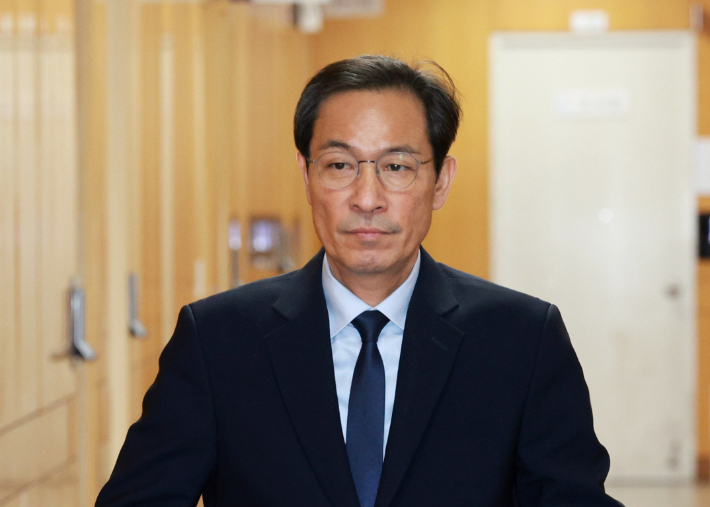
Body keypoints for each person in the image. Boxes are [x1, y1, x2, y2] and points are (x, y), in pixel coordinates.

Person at [96, 55, 622, 507]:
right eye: (340, 165)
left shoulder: (522, 340)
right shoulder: (217, 341)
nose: (367, 199)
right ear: (307, 177)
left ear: (441, 181)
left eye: (396, 167)